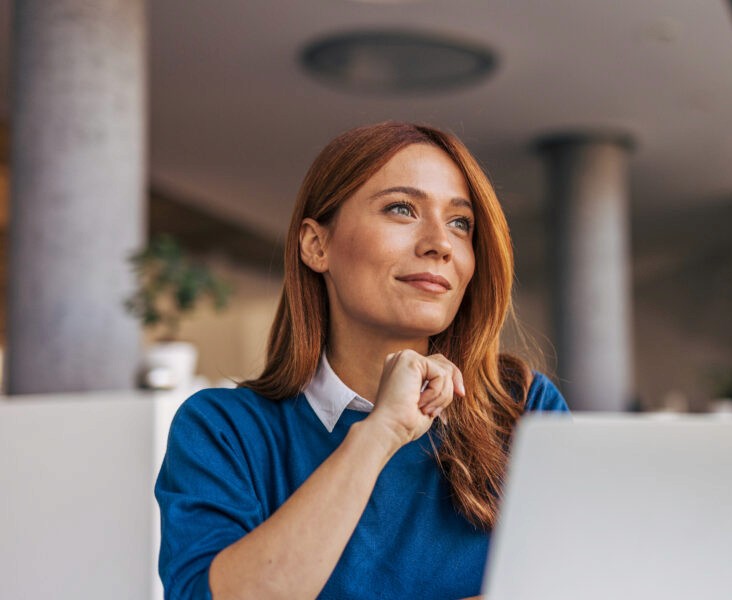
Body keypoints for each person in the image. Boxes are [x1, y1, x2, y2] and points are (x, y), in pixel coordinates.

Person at [155, 122, 569, 599]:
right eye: (402, 209)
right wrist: (378, 435)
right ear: (317, 245)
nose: (441, 243)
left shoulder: (522, 407)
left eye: (461, 222)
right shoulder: (223, 430)